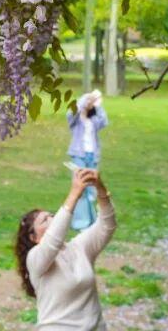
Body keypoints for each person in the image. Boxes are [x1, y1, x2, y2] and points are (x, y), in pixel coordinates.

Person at [15, 168, 116, 330]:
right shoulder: (35, 259)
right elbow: (53, 239)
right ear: (33, 238)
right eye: (44, 220)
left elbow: (107, 225)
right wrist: (75, 193)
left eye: (52, 215)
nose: (52, 218)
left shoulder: (79, 247)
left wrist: (100, 188)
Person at [66, 90, 108, 230]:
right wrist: (85, 101)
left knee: (92, 188)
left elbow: (104, 121)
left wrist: (97, 104)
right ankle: (81, 222)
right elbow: (71, 113)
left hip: (92, 155)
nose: (90, 104)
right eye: (88, 102)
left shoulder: (94, 120)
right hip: (79, 155)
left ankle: (93, 220)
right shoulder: (76, 119)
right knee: (81, 187)